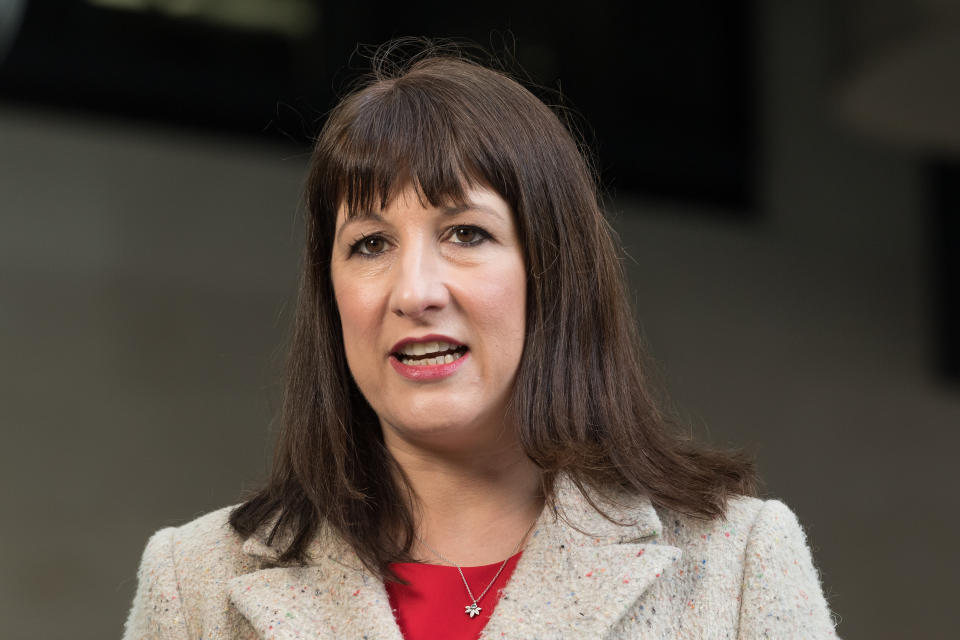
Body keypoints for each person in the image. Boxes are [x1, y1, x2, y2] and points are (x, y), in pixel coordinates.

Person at [123, 41, 839, 639]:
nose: (414, 291)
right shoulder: (195, 582)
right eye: (370, 243)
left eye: (466, 234)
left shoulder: (737, 561)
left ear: (551, 272)